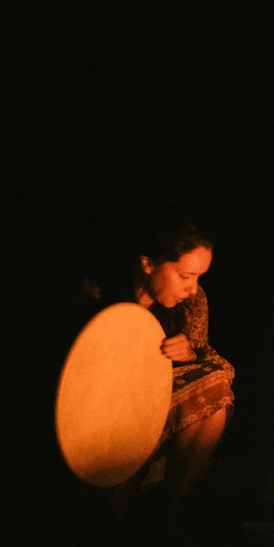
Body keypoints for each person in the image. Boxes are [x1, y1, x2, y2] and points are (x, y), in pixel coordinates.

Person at [81, 213, 234, 521]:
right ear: (149, 264)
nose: (193, 288)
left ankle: (167, 512)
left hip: (154, 402)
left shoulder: (189, 305)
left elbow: (218, 369)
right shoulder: (99, 297)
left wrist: (188, 355)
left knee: (215, 391)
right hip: (98, 405)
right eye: (185, 276)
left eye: (199, 278)